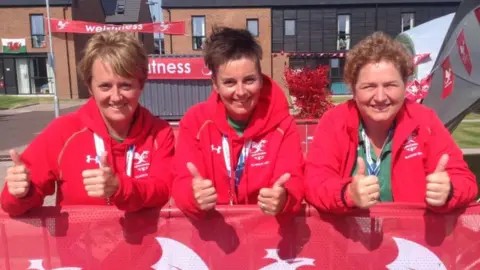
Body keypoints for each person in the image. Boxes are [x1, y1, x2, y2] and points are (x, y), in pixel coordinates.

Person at [1, 31, 175, 216]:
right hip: (80, 244)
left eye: (126, 85)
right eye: (105, 86)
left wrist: (120, 188)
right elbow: (11, 206)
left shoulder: (160, 132)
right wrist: (20, 192)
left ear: (141, 85)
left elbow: (164, 190)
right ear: (90, 86)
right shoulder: (64, 131)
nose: (116, 97)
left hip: (146, 243)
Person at [305, 32, 477, 213]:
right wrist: (347, 193)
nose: (380, 97)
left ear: (405, 84)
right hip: (349, 238)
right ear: (353, 89)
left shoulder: (424, 120)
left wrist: (449, 190)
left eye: (390, 85)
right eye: (369, 86)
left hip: (410, 237)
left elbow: (465, 180)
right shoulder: (334, 121)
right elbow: (314, 182)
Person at [172, 27, 304, 218]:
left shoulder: (283, 124)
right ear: (215, 85)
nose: (241, 92)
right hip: (213, 236)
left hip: (266, 235)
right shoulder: (195, 121)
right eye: (230, 83)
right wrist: (192, 196)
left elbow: (294, 180)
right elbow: (181, 181)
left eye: (249, 80)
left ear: (261, 79)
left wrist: (284, 198)